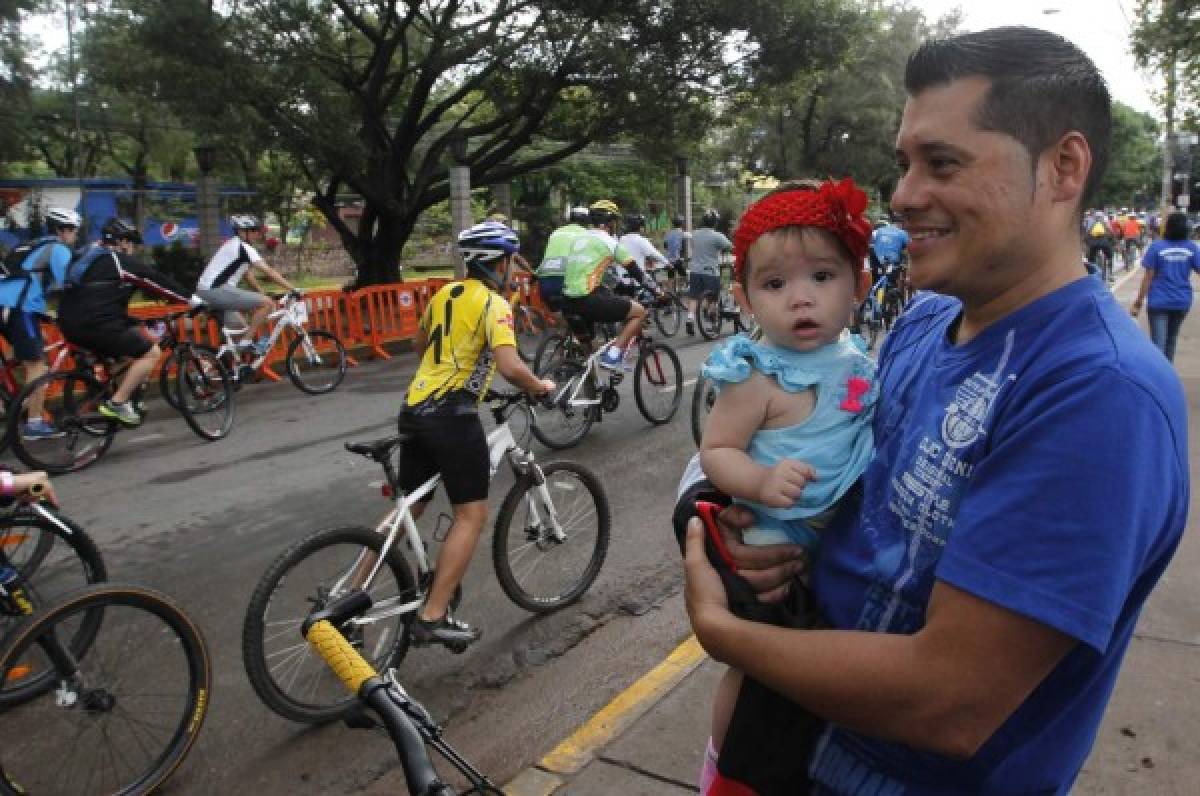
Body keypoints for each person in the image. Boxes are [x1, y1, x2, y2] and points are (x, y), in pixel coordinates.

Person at [679, 26, 1187, 794]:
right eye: (905, 163)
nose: (905, 195)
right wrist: (720, 504)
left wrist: (724, 631)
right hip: (786, 745)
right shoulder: (924, 320)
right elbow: (810, 442)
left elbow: (950, 700)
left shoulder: (1098, 394)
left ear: (1064, 167)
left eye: (942, 163)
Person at [696, 178, 876, 794]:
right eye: (776, 285)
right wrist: (760, 479)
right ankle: (724, 765)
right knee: (757, 671)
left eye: (822, 278)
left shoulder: (855, 357)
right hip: (775, 541)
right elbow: (716, 450)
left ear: (860, 285)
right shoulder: (755, 375)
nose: (801, 300)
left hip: (836, 539)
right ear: (745, 298)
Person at [399, 220, 554, 647]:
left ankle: (356, 581)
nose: (513, 271)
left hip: (414, 407)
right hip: (450, 416)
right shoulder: (493, 304)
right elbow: (510, 365)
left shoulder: (444, 295)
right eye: (511, 262)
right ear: (499, 263)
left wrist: (467, 372)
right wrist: (539, 386)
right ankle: (432, 616)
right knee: (471, 514)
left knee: (409, 508)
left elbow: (421, 347)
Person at [57, 218, 190, 426]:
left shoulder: (86, 256)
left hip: (68, 322)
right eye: (132, 244)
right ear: (123, 242)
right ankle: (117, 404)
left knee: (122, 357)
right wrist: (189, 299)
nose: (132, 249)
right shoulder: (116, 260)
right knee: (151, 352)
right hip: (97, 323)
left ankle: (120, 400)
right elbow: (153, 280)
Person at [0, 207, 80, 440]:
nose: (74, 236)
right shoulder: (58, 249)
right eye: (73, 231)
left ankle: (15, 401)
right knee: (37, 364)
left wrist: (44, 313)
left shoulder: (28, 246)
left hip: (9, 305)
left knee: (33, 346)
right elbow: (71, 285)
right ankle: (35, 423)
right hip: (18, 308)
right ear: (63, 230)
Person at [558, 199, 648, 370]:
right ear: (610, 222)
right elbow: (635, 271)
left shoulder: (578, 240)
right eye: (615, 220)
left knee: (589, 356)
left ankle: (592, 391)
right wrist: (658, 291)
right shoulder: (609, 241)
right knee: (639, 313)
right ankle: (613, 356)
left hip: (566, 302)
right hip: (587, 300)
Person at [194, 214, 296, 355]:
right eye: (253, 230)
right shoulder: (243, 247)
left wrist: (260, 291)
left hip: (210, 291)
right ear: (242, 232)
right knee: (267, 304)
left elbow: (247, 275)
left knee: (240, 330)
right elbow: (269, 271)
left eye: (257, 230)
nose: (257, 233)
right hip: (217, 290)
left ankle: (222, 367)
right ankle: (246, 343)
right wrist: (293, 289)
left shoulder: (235, 246)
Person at [1131, 211, 1200, 362]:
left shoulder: (1157, 247)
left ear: (1167, 227)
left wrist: (1138, 302)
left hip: (1159, 301)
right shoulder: (1192, 248)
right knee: (1171, 340)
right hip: (1182, 301)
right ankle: (1169, 377)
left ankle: (1159, 380)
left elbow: (1148, 277)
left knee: (1158, 345)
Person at [686, 210, 733, 336]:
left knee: (694, 297)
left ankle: (690, 318)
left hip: (695, 271)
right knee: (712, 299)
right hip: (710, 272)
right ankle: (711, 324)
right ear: (715, 222)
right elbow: (730, 247)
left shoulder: (694, 234)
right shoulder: (717, 236)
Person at [618, 213, 671, 286]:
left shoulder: (621, 239)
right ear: (640, 227)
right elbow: (654, 254)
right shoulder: (641, 240)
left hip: (621, 279)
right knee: (655, 288)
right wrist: (668, 263)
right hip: (636, 281)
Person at [664, 214, 690, 280]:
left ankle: (670, 289)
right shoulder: (682, 233)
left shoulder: (668, 233)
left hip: (669, 259)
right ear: (681, 224)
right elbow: (691, 237)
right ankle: (685, 286)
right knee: (684, 275)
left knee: (670, 277)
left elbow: (665, 246)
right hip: (677, 259)